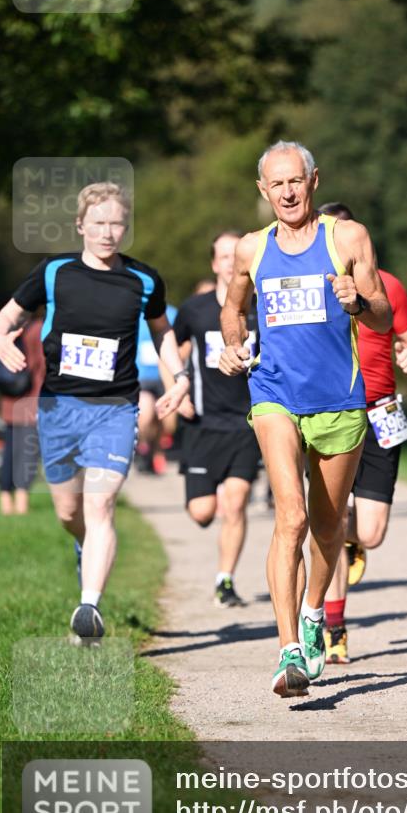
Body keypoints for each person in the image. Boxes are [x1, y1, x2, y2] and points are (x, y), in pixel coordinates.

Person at [219, 141, 392, 697]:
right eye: (277, 184)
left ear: (314, 181)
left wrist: (358, 303)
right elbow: (232, 306)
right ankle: (288, 650)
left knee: (327, 525)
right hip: (275, 395)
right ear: (262, 190)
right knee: (289, 517)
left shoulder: (347, 237)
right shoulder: (252, 248)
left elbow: (385, 317)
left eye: (296, 181)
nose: (288, 192)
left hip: (339, 401)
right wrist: (233, 343)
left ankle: (316, 610)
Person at [0, 181, 189, 641]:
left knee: (100, 504)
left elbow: (162, 333)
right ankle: (84, 546)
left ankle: (89, 609)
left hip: (115, 408)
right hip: (59, 407)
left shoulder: (144, 280)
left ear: (126, 227)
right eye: (98, 223)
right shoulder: (54, 272)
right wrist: (2, 339)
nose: (107, 232)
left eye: (116, 223)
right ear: (81, 225)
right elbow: (9, 317)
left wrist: (177, 377)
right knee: (69, 513)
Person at [317, 203, 407, 664]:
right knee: (333, 518)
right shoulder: (310, 288)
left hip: (383, 412)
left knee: (372, 532)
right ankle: (335, 628)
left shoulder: (390, 286)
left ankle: (350, 539)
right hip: (330, 414)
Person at [168, 231, 261, 608]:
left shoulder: (261, 306)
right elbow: (169, 349)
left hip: (247, 422)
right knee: (203, 512)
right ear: (213, 264)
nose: (229, 261)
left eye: (234, 254)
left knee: (236, 503)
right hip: (203, 424)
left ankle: (225, 581)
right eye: (223, 256)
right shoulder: (195, 309)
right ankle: (211, 499)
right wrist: (179, 388)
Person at [0, 317, 45, 515]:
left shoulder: (9, 329)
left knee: (9, 453)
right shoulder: (40, 329)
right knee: (27, 455)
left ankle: (5, 503)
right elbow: (42, 366)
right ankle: (21, 505)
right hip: (31, 402)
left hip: (9, 400)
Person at [135, 303, 178, 474]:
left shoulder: (173, 314)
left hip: (165, 375)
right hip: (142, 376)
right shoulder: (134, 311)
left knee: (165, 420)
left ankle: (156, 451)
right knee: (145, 415)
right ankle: (144, 448)